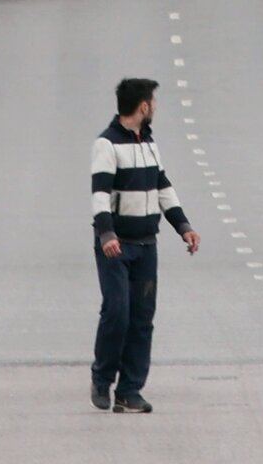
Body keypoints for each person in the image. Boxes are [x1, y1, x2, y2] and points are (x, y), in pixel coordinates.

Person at [90, 78, 198, 414]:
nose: (155, 107)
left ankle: (130, 390)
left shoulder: (149, 143)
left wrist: (183, 226)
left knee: (141, 319)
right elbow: (100, 194)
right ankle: (102, 377)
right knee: (117, 313)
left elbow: (162, 187)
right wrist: (106, 234)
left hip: (146, 245)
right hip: (116, 246)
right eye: (153, 101)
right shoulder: (107, 144)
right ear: (144, 106)